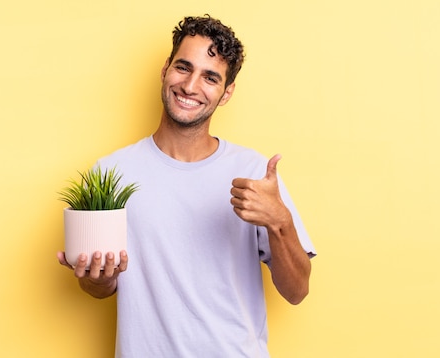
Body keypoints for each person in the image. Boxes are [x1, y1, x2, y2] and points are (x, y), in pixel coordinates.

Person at [57, 14, 316, 357]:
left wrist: (279, 221)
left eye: (210, 77)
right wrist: (97, 278)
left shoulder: (253, 171)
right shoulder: (111, 173)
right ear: (165, 69)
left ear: (226, 93)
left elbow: (297, 291)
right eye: (183, 67)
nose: (191, 86)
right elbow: (98, 287)